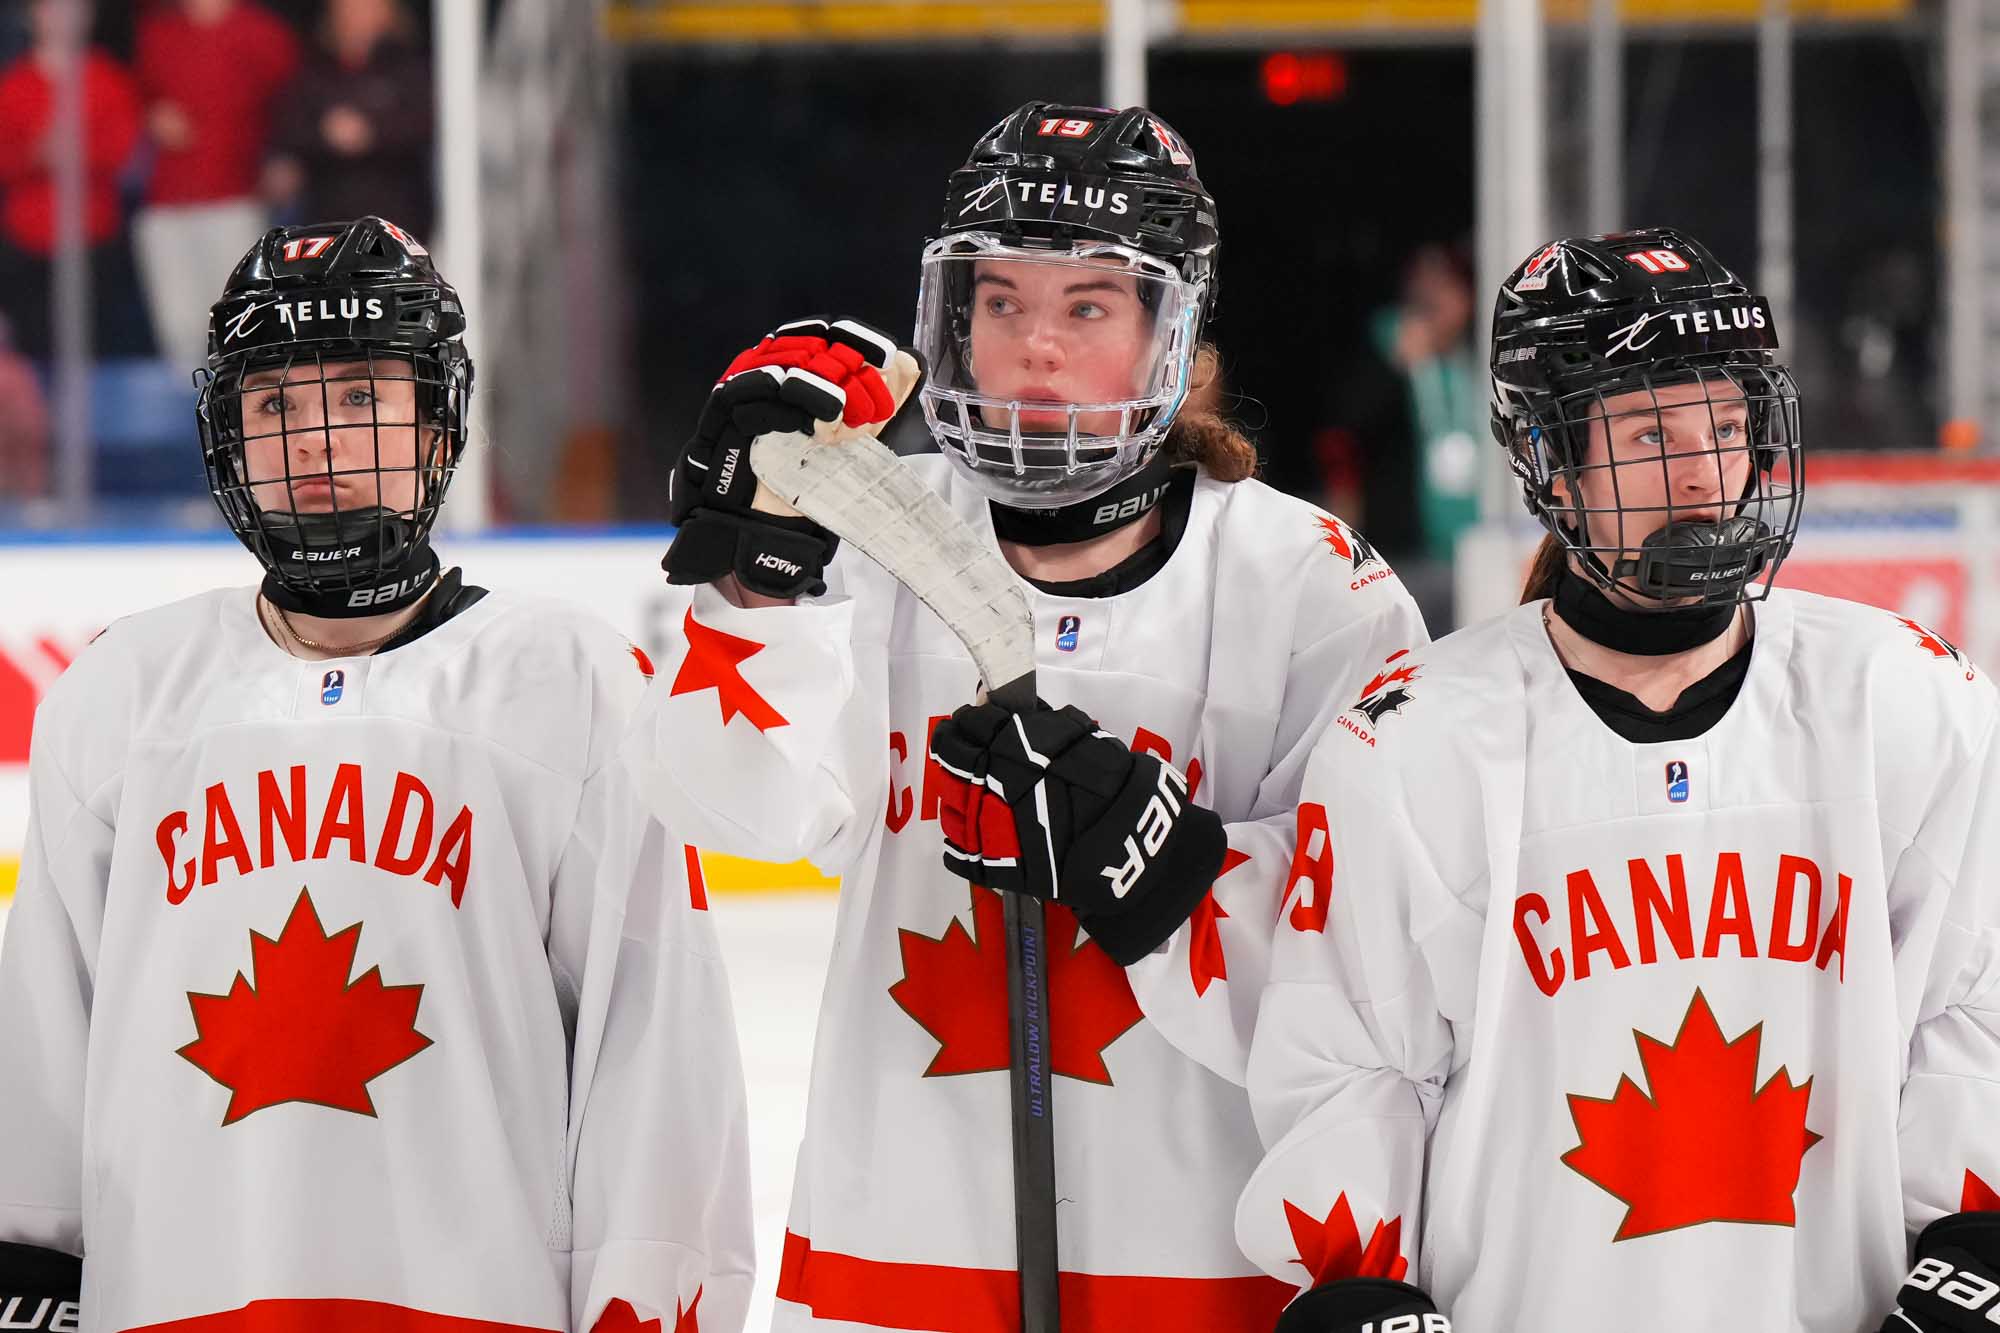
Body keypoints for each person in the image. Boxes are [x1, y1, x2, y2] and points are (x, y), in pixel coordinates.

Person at [636, 103, 1427, 1331]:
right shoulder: (864, 528)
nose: (1035, 347)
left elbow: (1376, 980)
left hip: (1202, 1279)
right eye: (999, 302)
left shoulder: (1309, 586)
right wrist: (756, 581)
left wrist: (1166, 871)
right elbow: (736, 808)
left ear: (1172, 333)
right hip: (889, 1271)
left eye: (1087, 307)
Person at [1234, 228, 2000, 1333]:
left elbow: (1972, 1009)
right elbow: (1351, 1069)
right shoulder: (1415, 743)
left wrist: (1971, 1255)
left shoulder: (1903, 698)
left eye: (1725, 427)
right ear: (1552, 460)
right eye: (1650, 434)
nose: (1702, 473)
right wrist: (1366, 1290)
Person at [0, 216, 753, 1333]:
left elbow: (652, 1042)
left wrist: (647, 1296)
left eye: (359, 396)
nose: (316, 443)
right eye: (275, 406)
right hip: (175, 1296)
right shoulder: (123, 691)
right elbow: (43, 1031)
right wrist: (28, 1265)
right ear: (226, 437)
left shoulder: (570, 679)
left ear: (438, 423)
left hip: (478, 1300)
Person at [133, 0, 300, 369]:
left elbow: (292, 104)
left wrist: (284, 158)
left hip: (234, 197)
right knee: (178, 330)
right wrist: (150, 116)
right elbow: (134, 100)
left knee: (242, 324)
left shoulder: (262, 33)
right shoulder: (158, 32)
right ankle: (189, 404)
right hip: (166, 201)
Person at [0, 0, 142, 358]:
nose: (62, 19)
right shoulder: (14, 84)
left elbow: (123, 150)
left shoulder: (107, 80)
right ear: (32, 17)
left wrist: (76, 152)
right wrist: (36, 154)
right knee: (35, 348)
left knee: (97, 345)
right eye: (50, 9)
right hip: (29, 240)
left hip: (93, 236)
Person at [263, 0, 433, 239]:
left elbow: (427, 123)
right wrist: (323, 132)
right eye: (346, 8)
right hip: (328, 220)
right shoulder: (315, 70)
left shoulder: (410, 67)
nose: (354, 16)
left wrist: (371, 132)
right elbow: (288, 128)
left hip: (398, 219)